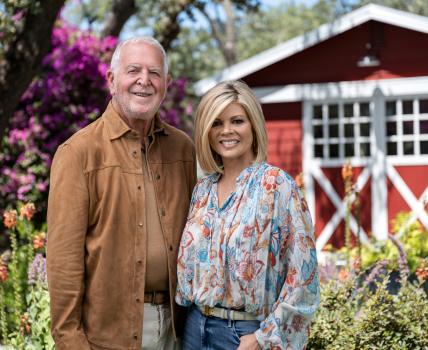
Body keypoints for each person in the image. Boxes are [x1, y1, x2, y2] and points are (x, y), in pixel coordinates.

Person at [46, 36, 197, 350]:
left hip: (178, 327)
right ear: (112, 80)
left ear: (167, 83)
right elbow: (64, 262)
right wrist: (71, 340)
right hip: (108, 332)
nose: (145, 80)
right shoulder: (78, 153)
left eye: (154, 73)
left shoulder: (183, 148)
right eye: (134, 70)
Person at [175, 80, 320, 350]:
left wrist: (263, 337)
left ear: (253, 125)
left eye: (237, 121)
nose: (226, 131)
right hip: (194, 328)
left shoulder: (276, 185)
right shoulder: (202, 191)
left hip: (244, 334)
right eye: (216, 123)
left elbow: (304, 276)